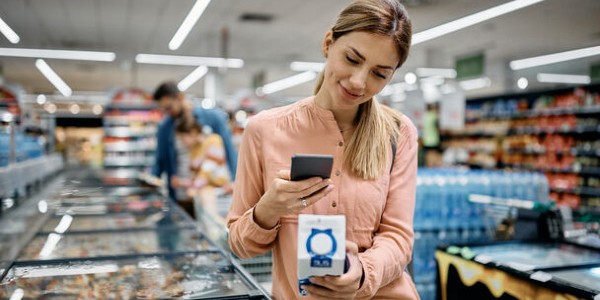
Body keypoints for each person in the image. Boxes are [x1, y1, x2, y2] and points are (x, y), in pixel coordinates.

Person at [227, 0, 418, 298]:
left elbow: (399, 238)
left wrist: (362, 273)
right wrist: (268, 210)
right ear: (329, 42)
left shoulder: (399, 133)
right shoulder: (264, 129)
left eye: (379, 74)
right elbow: (241, 246)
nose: (359, 82)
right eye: (352, 59)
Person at [152, 81, 237, 201]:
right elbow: (160, 158)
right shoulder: (165, 128)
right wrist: (152, 181)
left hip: (209, 193)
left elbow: (230, 151)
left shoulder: (212, 118)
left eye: (169, 107)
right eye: (164, 109)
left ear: (180, 97)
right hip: (180, 193)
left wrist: (236, 181)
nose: (168, 112)